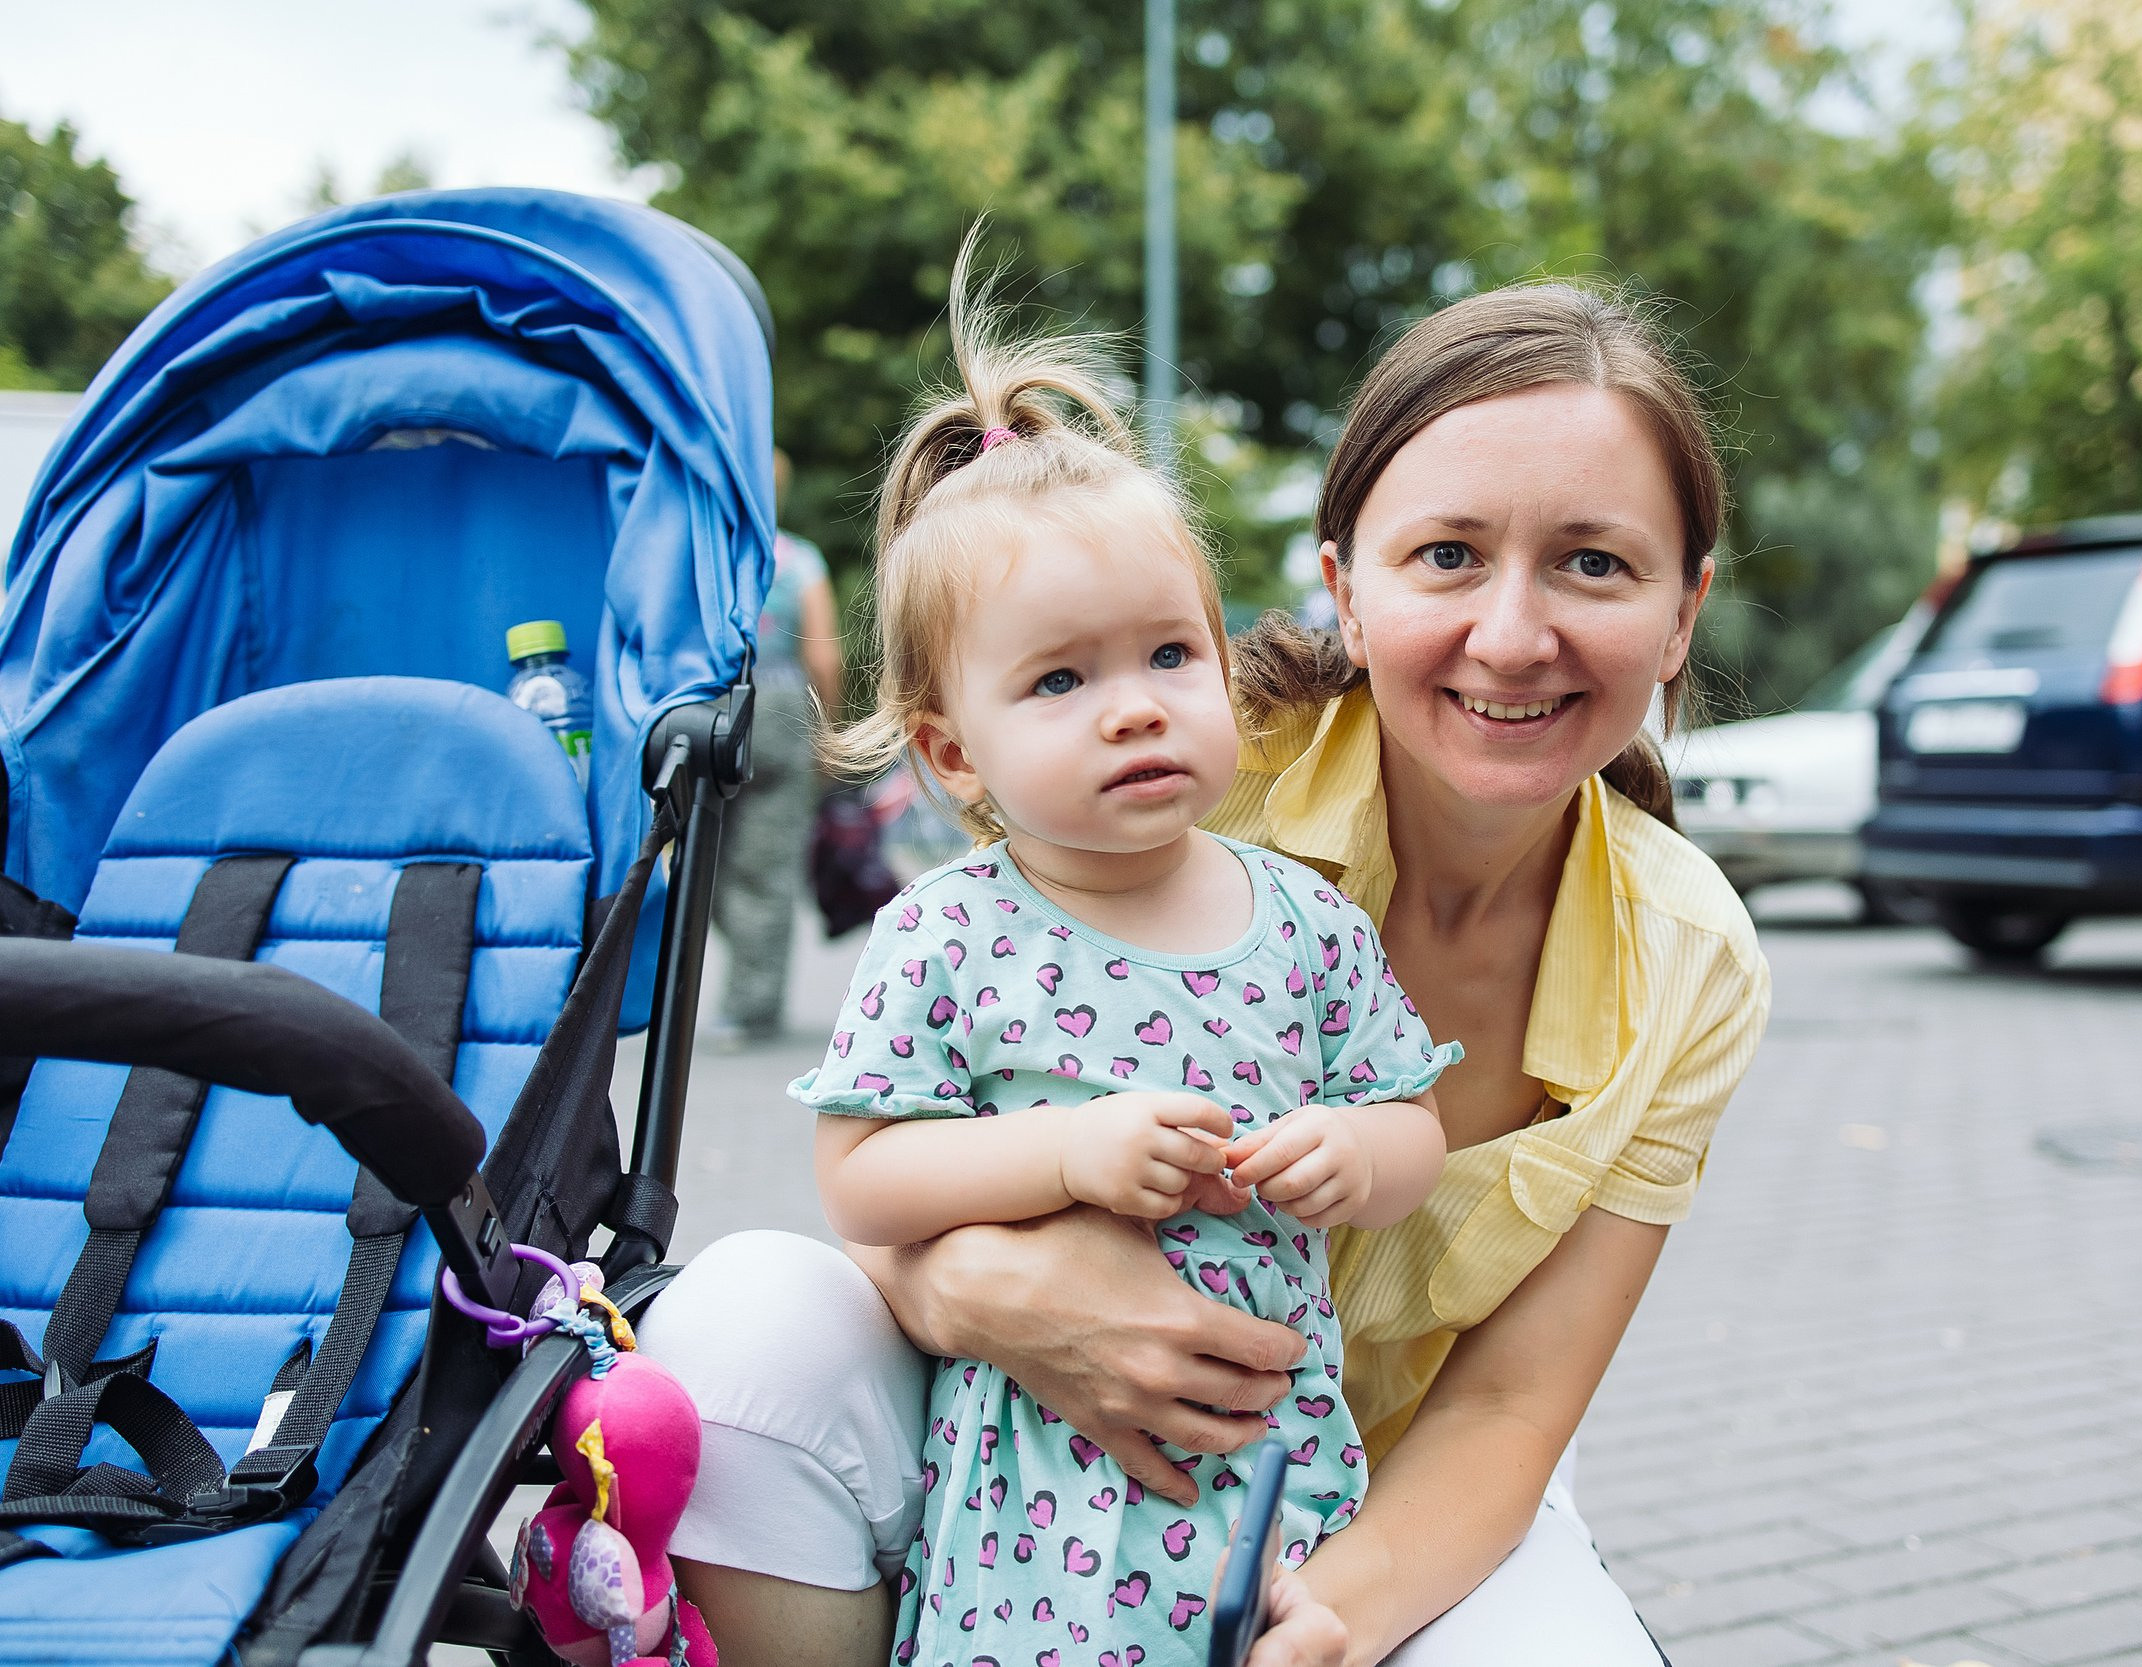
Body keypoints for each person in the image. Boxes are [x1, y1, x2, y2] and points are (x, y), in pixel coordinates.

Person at [637, 279, 1773, 1667]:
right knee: (739, 1323)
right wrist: (1001, 1293)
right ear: (1346, 587)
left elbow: (1507, 1408)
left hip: (1385, 1487)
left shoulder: (1690, 961)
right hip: (1018, 1449)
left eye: (1593, 562)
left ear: (1682, 611)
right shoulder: (1164, 772)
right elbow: (886, 1178)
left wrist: (1329, 1614)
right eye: (1448, 554)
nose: (1513, 634)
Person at [801, 247, 1455, 1664]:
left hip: (1273, 1483)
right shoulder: (948, 931)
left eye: (1169, 654)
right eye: (1059, 677)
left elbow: (1414, 1122)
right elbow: (861, 1177)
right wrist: (1070, 1151)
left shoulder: (1305, 917)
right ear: (951, 752)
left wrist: (1356, 1149)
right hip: (1037, 1509)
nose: (1134, 708)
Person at [711, 449, 845, 1044]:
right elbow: (824, 655)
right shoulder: (800, 559)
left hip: (710, 704)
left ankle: (746, 990)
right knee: (767, 868)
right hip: (782, 709)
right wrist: (828, 732)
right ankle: (752, 1006)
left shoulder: (706, 553)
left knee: (702, 859)